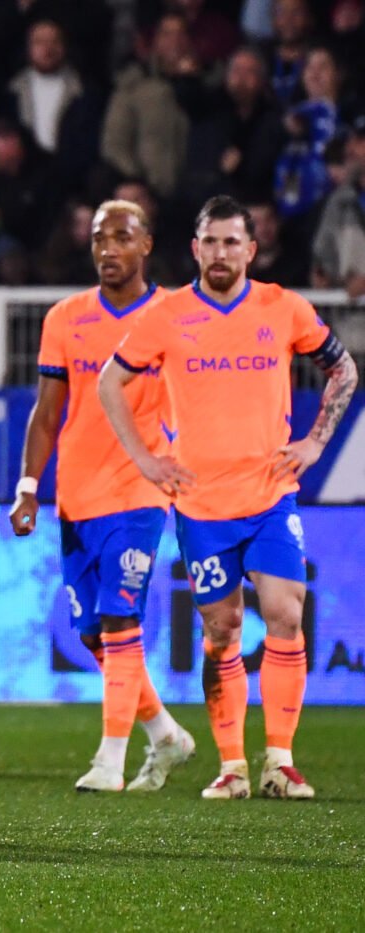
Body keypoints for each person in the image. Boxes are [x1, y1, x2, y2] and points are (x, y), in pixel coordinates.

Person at [99, 195, 359, 800]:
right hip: (201, 506)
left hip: (270, 496)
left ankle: (281, 761)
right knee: (221, 631)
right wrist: (144, 458)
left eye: (232, 242)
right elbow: (111, 381)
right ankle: (233, 767)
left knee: (287, 615)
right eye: (210, 242)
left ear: (251, 249)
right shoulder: (168, 315)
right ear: (195, 249)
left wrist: (317, 442)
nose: (221, 253)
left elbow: (342, 369)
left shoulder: (282, 307)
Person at [10, 199, 196, 793]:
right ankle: (166, 734)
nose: (108, 250)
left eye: (122, 237)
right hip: (79, 495)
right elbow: (47, 412)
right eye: (98, 239)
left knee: (120, 617)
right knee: (94, 634)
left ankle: (109, 760)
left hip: (141, 490)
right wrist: (28, 486)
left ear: (146, 245)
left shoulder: (175, 314)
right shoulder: (66, 317)